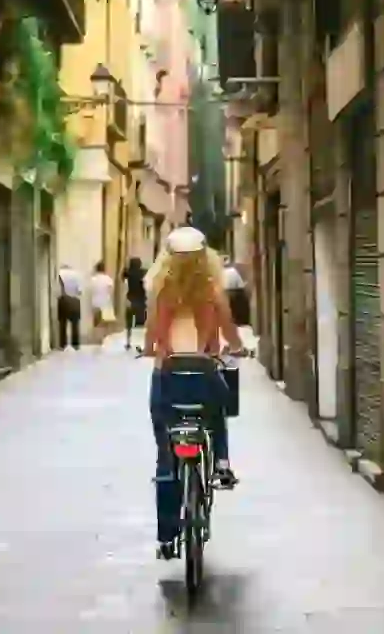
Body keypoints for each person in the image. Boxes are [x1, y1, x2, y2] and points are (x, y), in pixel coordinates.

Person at [142, 227, 248, 559]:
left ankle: (167, 537)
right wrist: (237, 348)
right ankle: (220, 461)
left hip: (169, 376)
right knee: (217, 411)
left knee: (166, 455)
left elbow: (152, 339)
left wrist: (151, 350)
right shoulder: (212, 292)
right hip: (203, 372)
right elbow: (230, 333)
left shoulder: (162, 294)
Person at [121, 257, 148, 350]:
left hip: (130, 300)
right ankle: (139, 344)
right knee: (139, 323)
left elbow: (124, 284)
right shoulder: (144, 273)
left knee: (129, 324)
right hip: (141, 301)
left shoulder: (127, 273)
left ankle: (128, 342)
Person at [88, 261, 116, 345]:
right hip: (105, 302)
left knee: (96, 322)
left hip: (95, 302)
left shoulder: (93, 279)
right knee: (105, 322)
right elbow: (111, 291)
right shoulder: (108, 279)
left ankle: (96, 338)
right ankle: (103, 338)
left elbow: (90, 290)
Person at [56, 263, 83, 350]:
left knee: (62, 324)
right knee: (75, 324)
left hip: (63, 299)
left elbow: (57, 289)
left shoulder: (59, 273)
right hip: (75, 300)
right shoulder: (76, 275)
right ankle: (75, 345)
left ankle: (62, 344)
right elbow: (80, 291)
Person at [221, 256, 250, 326]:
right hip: (234, 292)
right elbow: (240, 285)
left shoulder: (220, 272)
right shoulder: (233, 271)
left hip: (224, 292)